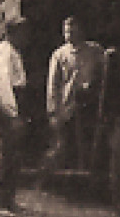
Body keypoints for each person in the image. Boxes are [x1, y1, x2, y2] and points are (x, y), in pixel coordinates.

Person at [45, 16, 108, 172]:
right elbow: (53, 84)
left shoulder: (94, 51)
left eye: (73, 31)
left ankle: (88, 172)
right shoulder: (59, 55)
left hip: (90, 103)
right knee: (66, 141)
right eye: (66, 32)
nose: (69, 35)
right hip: (68, 104)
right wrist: (52, 110)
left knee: (88, 140)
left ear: (81, 31)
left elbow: (105, 72)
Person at [0, 17, 32, 217]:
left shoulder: (12, 51)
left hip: (16, 102)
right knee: (5, 155)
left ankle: (8, 199)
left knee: (13, 156)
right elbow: (2, 84)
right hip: (7, 106)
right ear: (13, 33)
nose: (26, 37)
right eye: (23, 33)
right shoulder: (5, 52)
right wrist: (13, 113)